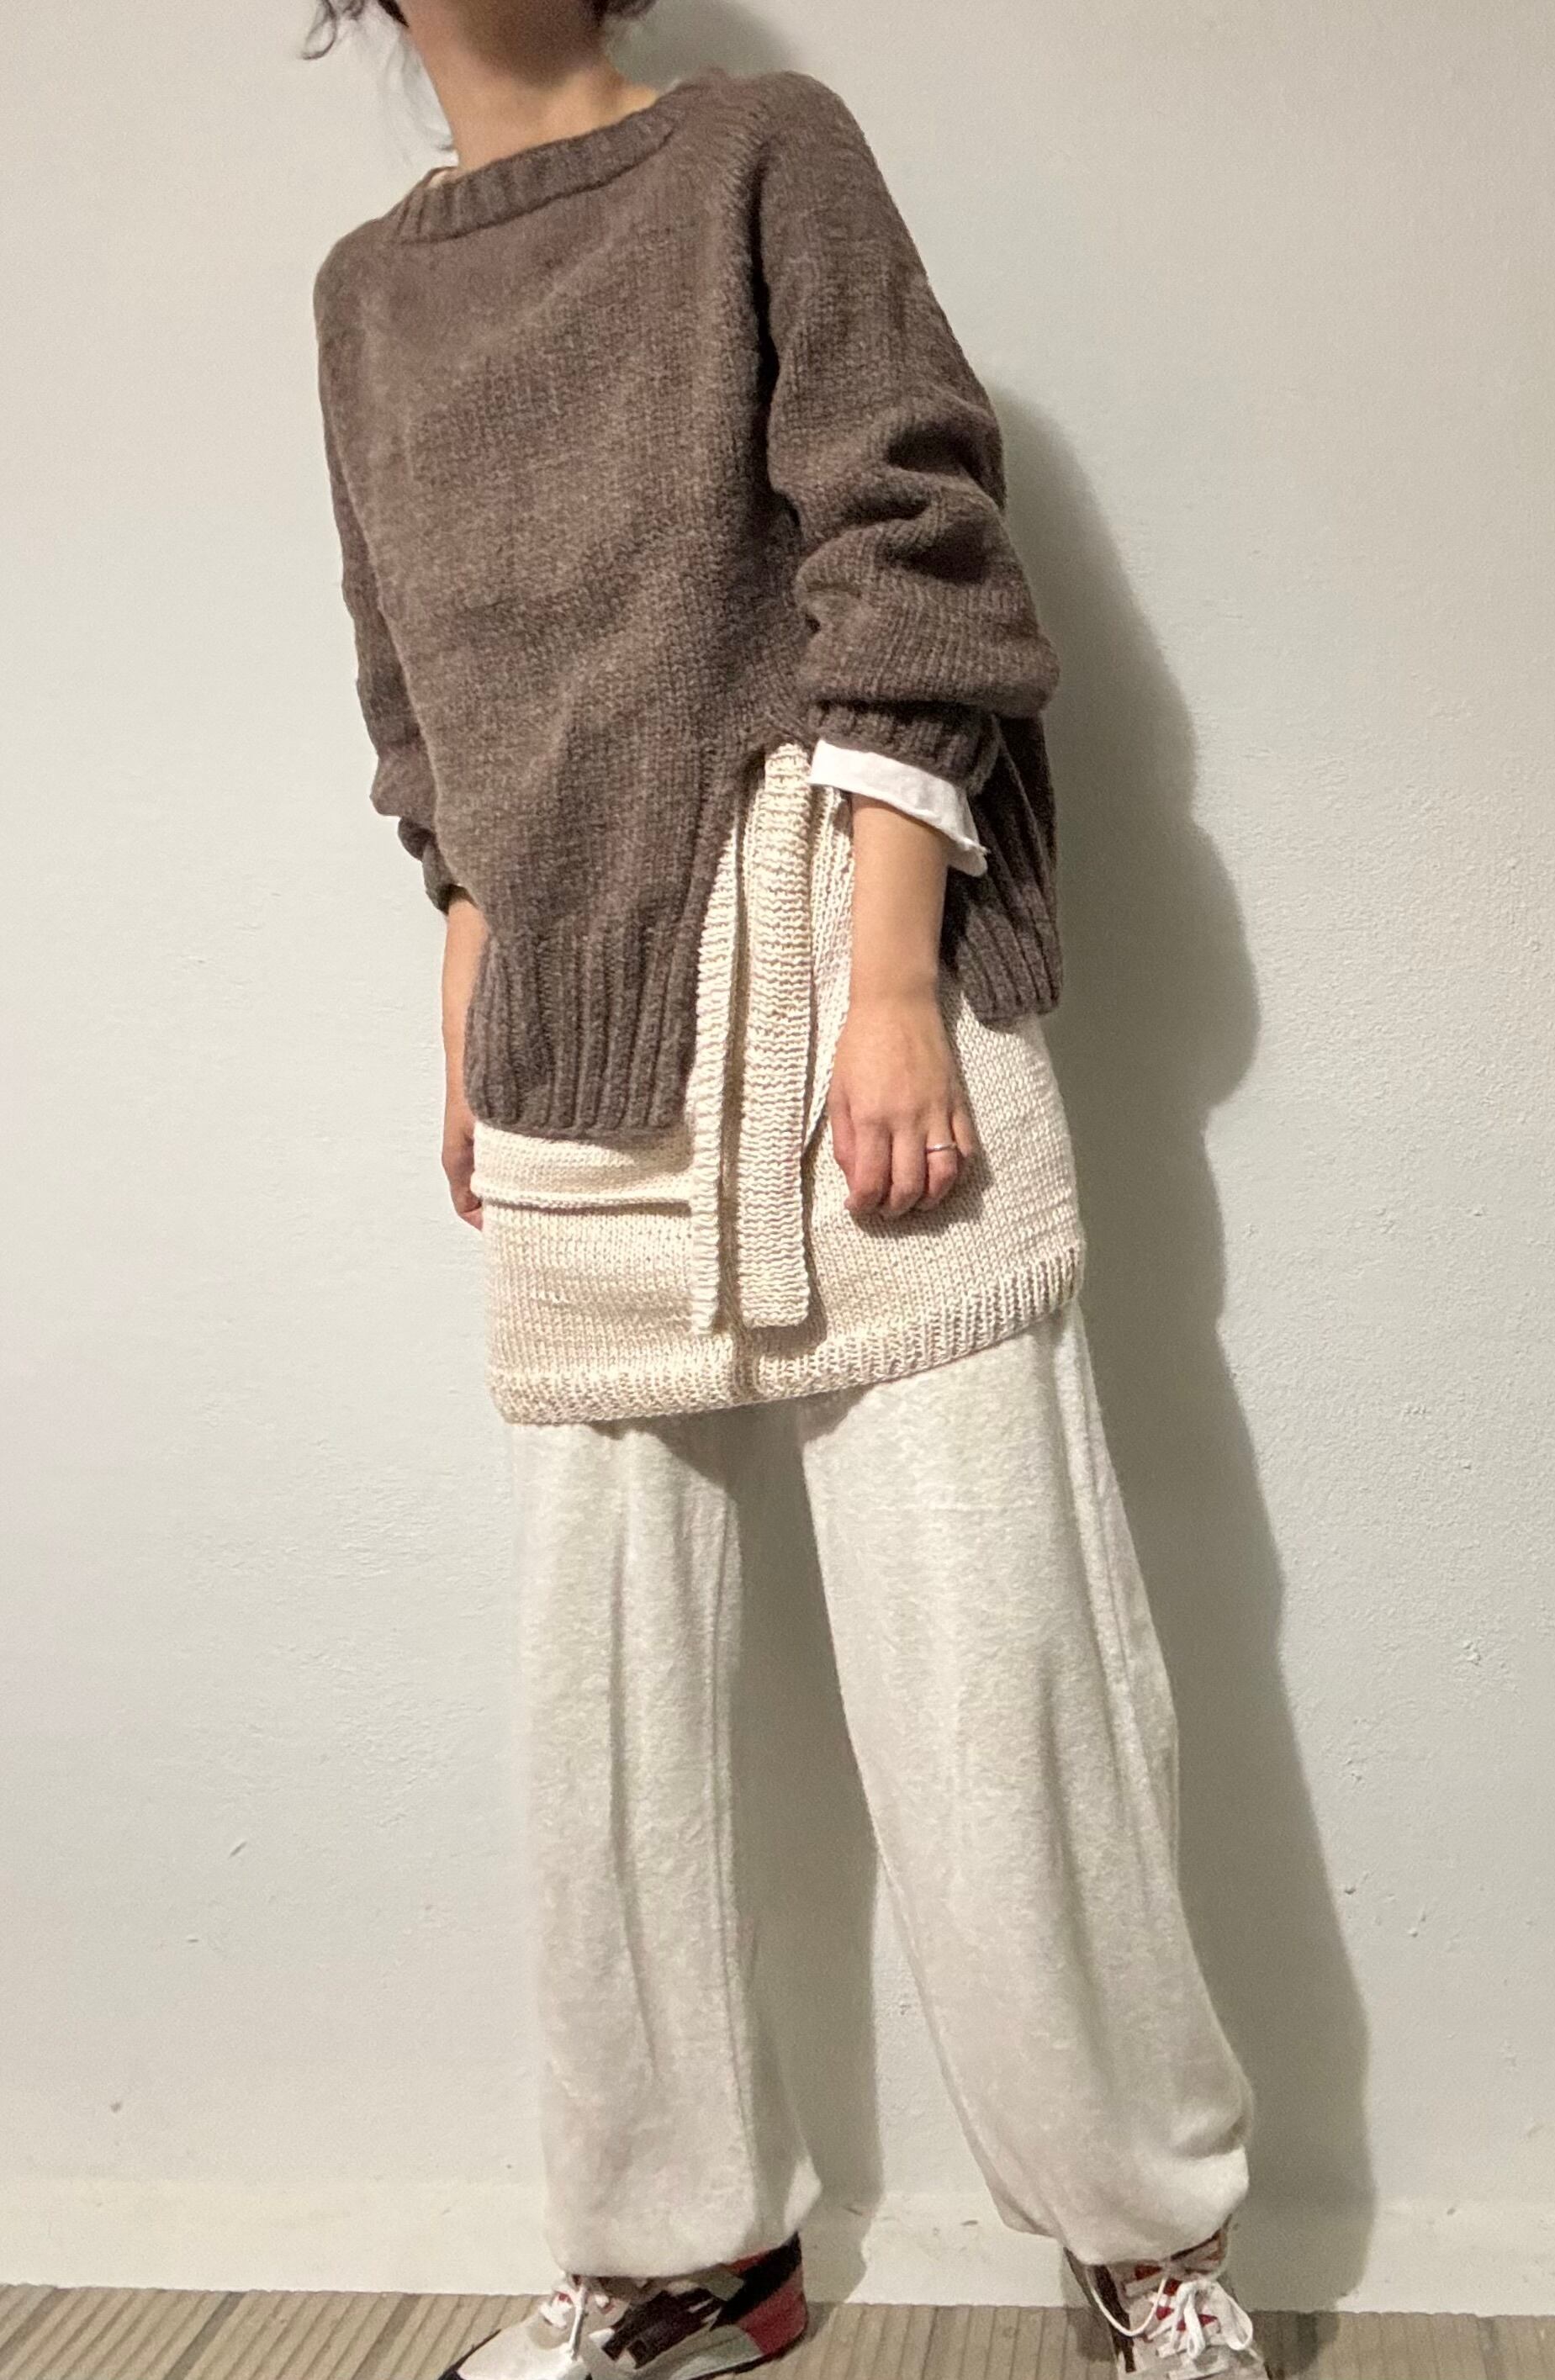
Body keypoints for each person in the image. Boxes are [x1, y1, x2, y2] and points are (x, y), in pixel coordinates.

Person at [309, 2, 1263, 2372]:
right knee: (603, 1702)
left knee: (999, 1654)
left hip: (836, 946)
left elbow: (911, 534)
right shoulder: (368, 291)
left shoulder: (762, 154)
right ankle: (682, 2259)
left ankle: (1142, 2228)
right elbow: (419, 699)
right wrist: (465, 976)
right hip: (577, 1004)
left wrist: (895, 982)